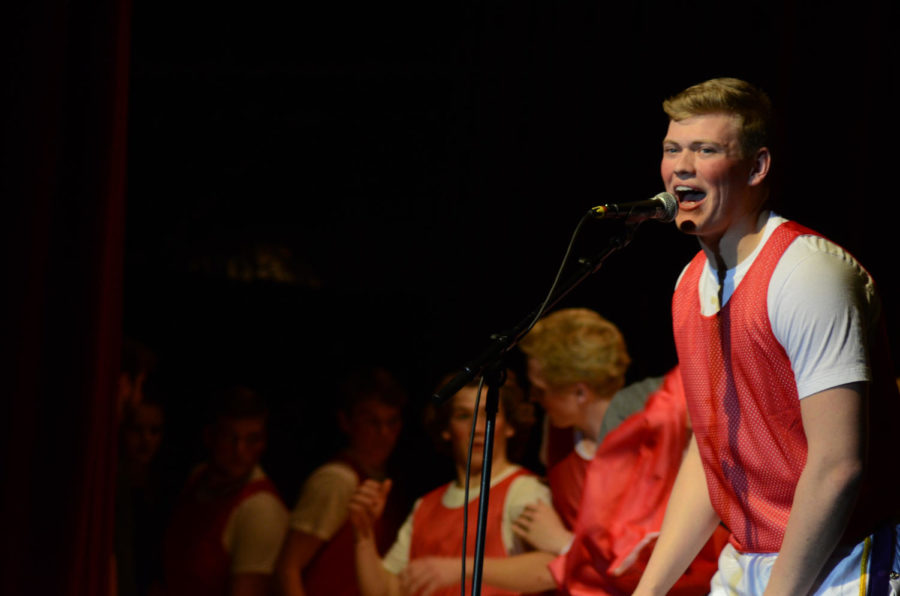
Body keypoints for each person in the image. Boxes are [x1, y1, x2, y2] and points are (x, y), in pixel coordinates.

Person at [633, 77, 900, 596]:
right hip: (749, 557)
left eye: (705, 150)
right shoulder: (690, 285)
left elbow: (838, 464)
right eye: (672, 149)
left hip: (847, 558)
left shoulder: (808, 274)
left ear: (757, 167)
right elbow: (712, 450)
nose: (681, 166)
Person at [513, 307, 724, 595]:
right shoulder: (556, 432)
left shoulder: (660, 443)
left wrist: (564, 545)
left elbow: (671, 568)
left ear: (580, 393)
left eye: (541, 390)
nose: (534, 399)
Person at [348, 373, 552, 596]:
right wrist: (364, 537)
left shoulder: (523, 489)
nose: (478, 428)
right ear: (446, 429)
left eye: (489, 415)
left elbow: (551, 568)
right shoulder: (425, 507)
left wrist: (461, 568)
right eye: (464, 416)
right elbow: (387, 591)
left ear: (510, 426)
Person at [275, 367, 407, 596]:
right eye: (372, 422)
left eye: (392, 422)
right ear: (346, 422)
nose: (384, 433)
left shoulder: (385, 482)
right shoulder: (338, 481)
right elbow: (288, 568)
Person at [163, 386, 289, 596]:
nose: (240, 451)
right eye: (230, 437)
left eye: (252, 440)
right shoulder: (199, 477)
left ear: (264, 442)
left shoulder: (260, 510)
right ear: (209, 436)